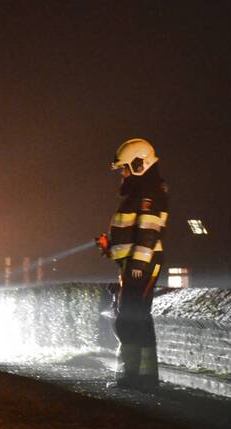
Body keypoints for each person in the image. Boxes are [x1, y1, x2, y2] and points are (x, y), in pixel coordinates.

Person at [97, 138, 168, 394]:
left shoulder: (149, 195)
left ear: (139, 164)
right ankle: (141, 377)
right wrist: (111, 247)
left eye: (125, 169)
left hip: (141, 266)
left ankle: (134, 377)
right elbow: (132, 232)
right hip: (135, 265)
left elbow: (149, 231)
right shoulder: (143, 192)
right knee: (133, 319)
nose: (123, 174)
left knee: (130, 320)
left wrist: (137, 262)